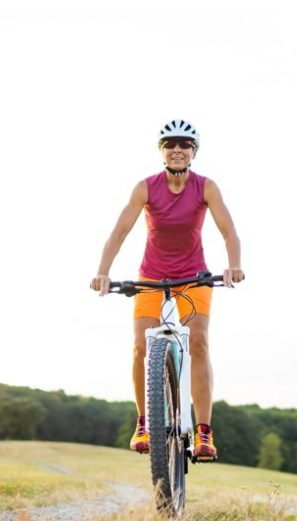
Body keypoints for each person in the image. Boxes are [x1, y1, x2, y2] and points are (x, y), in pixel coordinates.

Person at [90, 119, 244, 461]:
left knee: (199, 341)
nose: (177, 149)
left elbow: (229, 231)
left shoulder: (206, 187)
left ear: (194, 152)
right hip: (151, 277)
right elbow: (119, 231)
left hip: (194, 277)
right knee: (140, 345)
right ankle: (145, 422)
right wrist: (103, 272)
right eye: (170, 143)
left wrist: (233, 264)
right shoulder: (146, 187)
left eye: (185, 144)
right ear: (161, 150)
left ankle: (204, 431)